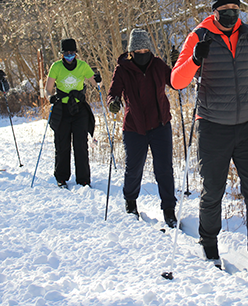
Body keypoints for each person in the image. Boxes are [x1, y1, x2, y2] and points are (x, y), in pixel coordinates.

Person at [171, 0, 248, 279]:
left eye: (235, 10)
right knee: (213, 193)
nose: (231, 15)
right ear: (214, 11)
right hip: (213, 127)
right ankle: (209, 245)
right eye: (225, 11)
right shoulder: (199, 36)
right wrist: (196, 58)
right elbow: (177, 81)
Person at [106, 28, 179, 228]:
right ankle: (130, 202)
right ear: (131, 52)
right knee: (134, 168)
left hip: (160, 124)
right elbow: (113, 92)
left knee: (164, 169)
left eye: (146, 49)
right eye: (138, 51)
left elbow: (176, 82)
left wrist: (177, 63)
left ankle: (169, 210)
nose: (142, 54)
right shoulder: (122, 68)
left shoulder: (157, 65)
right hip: (134, 127)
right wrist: (113, 102)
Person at [46, 38, 101, 188]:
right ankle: (61, 177)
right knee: (62, 145)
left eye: (72, 53)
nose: (69, 55)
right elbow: (48, 88)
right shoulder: (56, 67)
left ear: (76, 54)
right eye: (66, 53)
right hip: (62, 110)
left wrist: (97, 80)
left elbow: (95, 83)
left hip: (78, 109)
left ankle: (83, 179)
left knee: (80, 145)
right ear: (62, 54)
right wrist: (50, 97)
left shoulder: (83, 66)